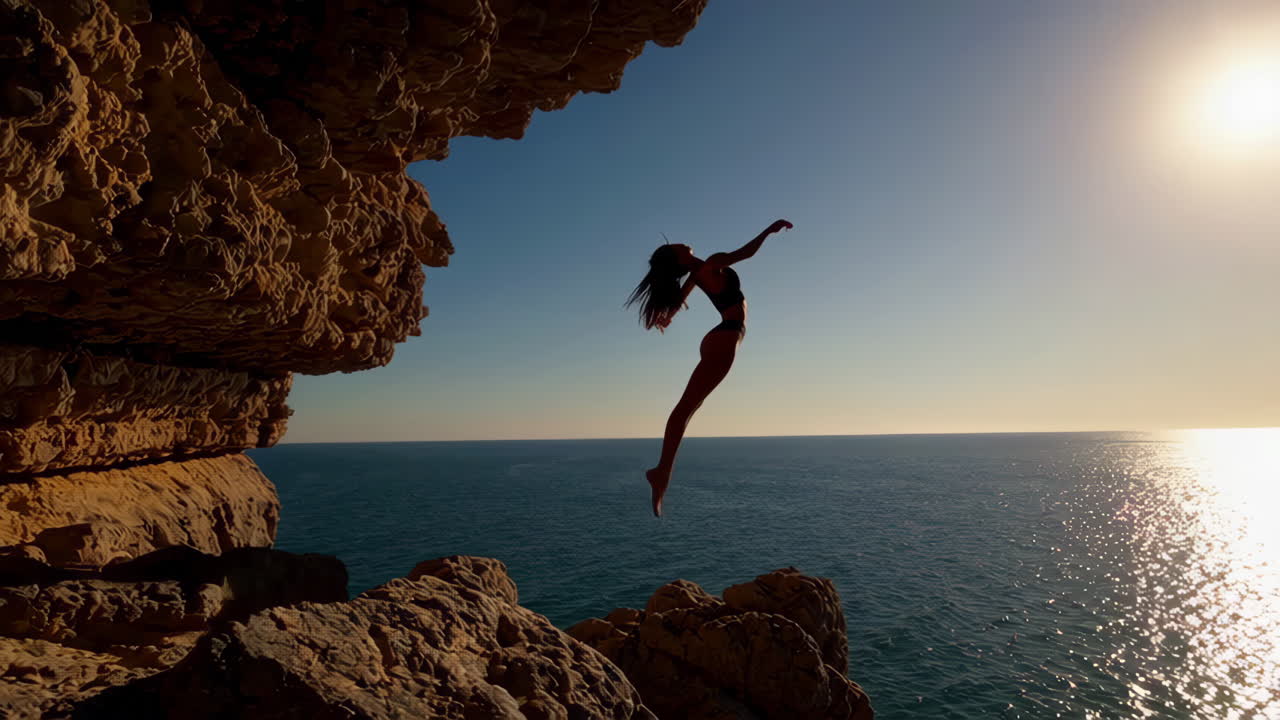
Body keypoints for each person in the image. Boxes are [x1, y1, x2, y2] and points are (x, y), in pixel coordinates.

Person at [625, 218, 794, 516]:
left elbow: (685, 292)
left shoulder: (698, 273)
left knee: (689, 408)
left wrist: (670, 315)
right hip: (725, 337)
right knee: (685, 409)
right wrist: (768, 231)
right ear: (678, 256)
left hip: (722, 337)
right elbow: (745, 253)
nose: (678, 241)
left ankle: (662, 473)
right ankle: (661, 473)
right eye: (673, 245)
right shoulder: (711, 263)